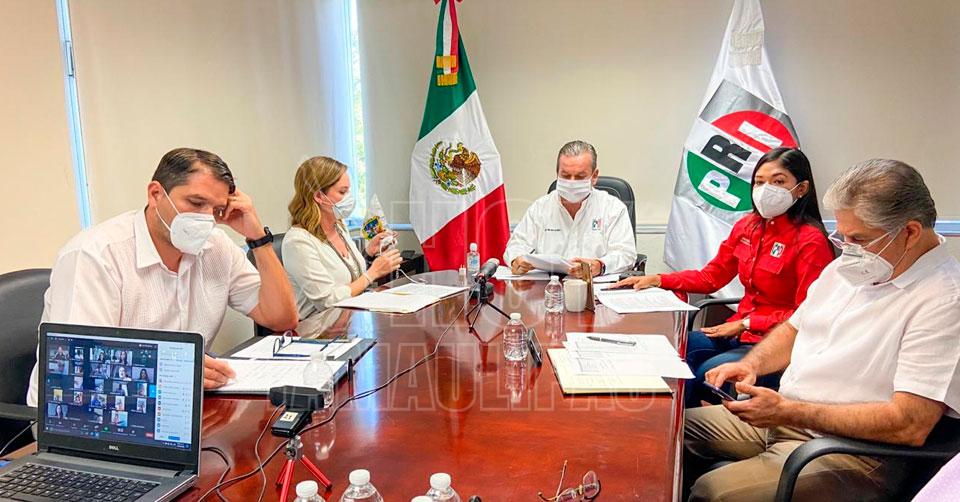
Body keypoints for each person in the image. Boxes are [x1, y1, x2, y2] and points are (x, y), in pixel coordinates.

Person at [684, 159, 960, 502]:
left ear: (911, 232)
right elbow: (795, 328)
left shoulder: (944, 301)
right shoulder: (857, 265)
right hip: (791, 417)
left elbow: (909, 424)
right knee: (668, 433)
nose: (848, 248)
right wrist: (751, 364)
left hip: (854, 453)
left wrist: (788, 411)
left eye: (858, 238)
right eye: (843, 236)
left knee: (713, 493)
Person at [26, 148, 298, 407]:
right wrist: (174, 370)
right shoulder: (95, 254)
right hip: (88, 412)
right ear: (155, 194)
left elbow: (280, 318)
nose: (206, 219)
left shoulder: (216, 246)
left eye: (217, 210)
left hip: (177, 403)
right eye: (196, 203)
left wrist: (258, 239)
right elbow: (77, 367)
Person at [614, 148, 834, 407]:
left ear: (801, 188)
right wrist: (658, 280)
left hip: (774, 345)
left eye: (778, 182)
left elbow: (806, 314)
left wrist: (747, 323)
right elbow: (711, 277)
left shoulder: (810, 241)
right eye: (759, 182)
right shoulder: (747, 226)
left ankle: (693, 428)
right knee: (671, 350)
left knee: (702, 373)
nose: (766, 190)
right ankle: (671, 423)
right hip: (737, 333)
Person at [282, 156, 402, 318]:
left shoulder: (338, 226)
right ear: (319, 196)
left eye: (348, 191)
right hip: (318, 327)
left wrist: (369, 253)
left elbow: (348, 276)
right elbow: (327, 302)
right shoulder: (298, 241)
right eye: (342, 192)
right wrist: (372, 273)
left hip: (350, 319)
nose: (349, 198)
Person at [504, 140, 637, 278]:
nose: (572, 182)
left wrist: (599, 265)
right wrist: (516, 260)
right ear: (557, 173)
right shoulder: (540, 208)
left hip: (594, 286)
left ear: (594, 176)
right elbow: (516, 246)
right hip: (549, 286)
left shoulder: (612, 208)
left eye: (580, 176)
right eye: (566, 176)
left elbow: (626, 254)